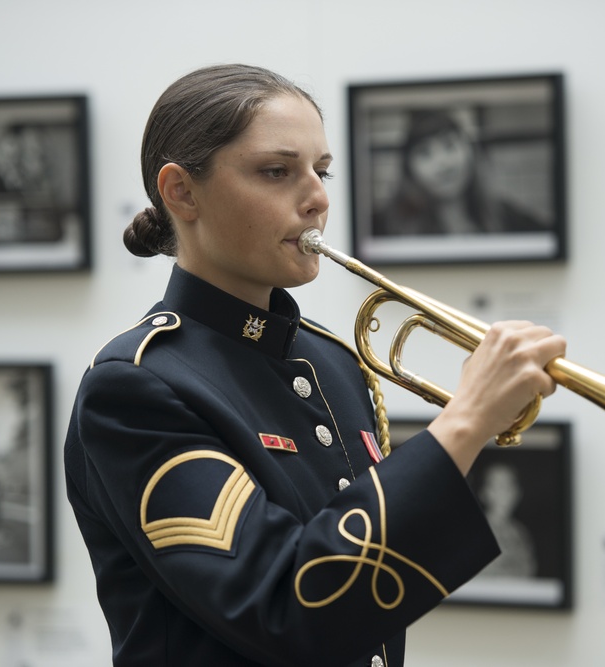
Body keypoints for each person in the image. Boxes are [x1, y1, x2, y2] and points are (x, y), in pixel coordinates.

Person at [64, 63, 566, 667]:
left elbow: (365, 598)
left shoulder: (332, 359)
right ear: (182, 192)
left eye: (321, 172)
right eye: (277, 172)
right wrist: (466, 422)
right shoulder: (136, 386)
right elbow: (286, 610)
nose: (319, 199)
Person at [371, 108, 547, 237]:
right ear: (409, 168)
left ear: (469, 150)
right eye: (425, 153)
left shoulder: (506, 217)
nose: (443, 164)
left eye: (449, 146)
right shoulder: (383, 228)